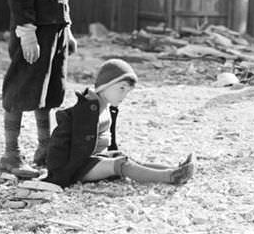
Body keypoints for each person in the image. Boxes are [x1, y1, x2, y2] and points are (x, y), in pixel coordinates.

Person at [0, 0, 77, 178]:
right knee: (21, 88)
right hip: (32, 32)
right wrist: (27, 33)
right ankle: (11, 156)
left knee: (49, 89)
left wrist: (67, 30)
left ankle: (45, 150)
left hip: (55, 32)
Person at [44, 58, 195, 188]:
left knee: (128, 159)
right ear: (104, 86)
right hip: (76, 168)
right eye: (121, 88)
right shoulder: (82, 110)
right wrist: (58, 174)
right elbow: (58, 142)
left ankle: (176, 169)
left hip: (95, 159)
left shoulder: (107, 109)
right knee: (121, 164)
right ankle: (171, 177)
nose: (124, 95)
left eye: (127, 91)